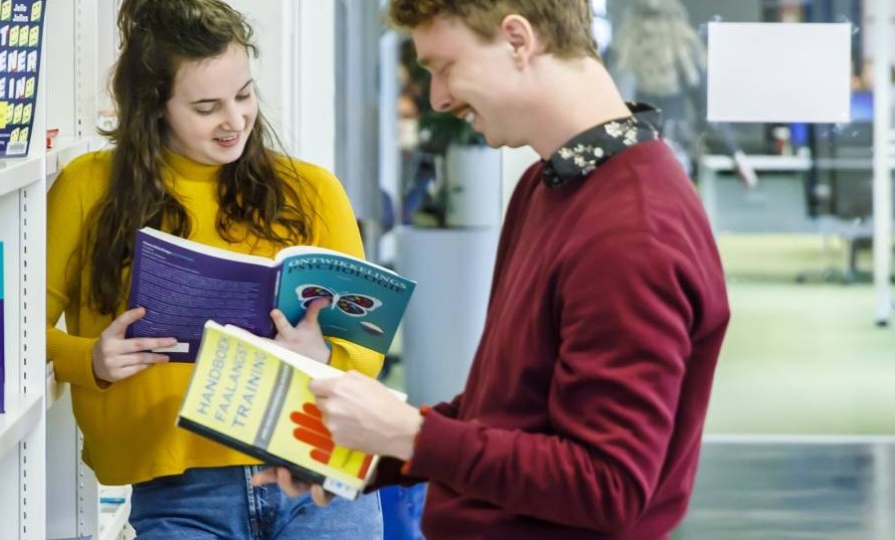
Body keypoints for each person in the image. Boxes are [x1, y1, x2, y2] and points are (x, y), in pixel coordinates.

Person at [255, 0, 731, 538]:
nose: (437, 98)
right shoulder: (548, 185)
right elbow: (505, 414)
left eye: (445, 67)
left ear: (517, 40)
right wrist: (371, 446)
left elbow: (607, 486)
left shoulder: (633, 231)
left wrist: (410, 435)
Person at [43, 0, 385, 537]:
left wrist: (323, 354)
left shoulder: (312, 190)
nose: (235, 120)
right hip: (179, 490)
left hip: (319, 471)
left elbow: (365, 347)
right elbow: (13, 337)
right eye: (206, 107)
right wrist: (90, 359)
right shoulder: (89, 188)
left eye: (244, 95)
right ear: (154, 107)